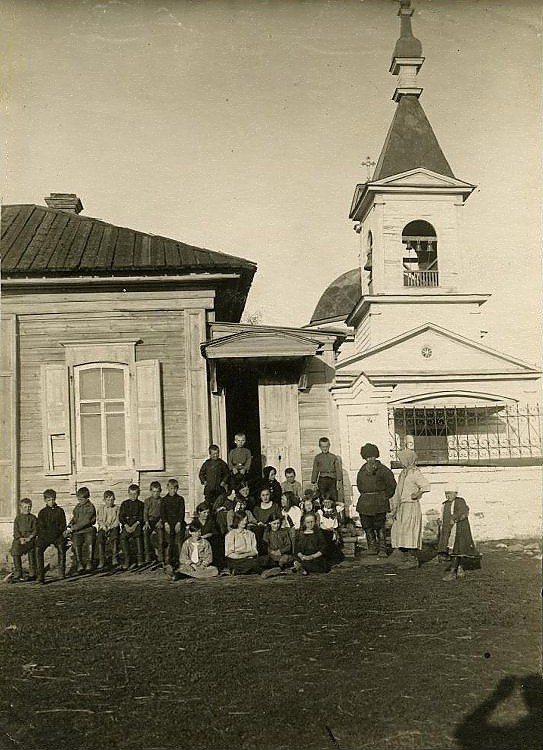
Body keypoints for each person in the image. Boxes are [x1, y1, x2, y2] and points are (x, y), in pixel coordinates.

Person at [389, 449, 430, 569]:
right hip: (402, 506)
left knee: (409, 531)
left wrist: (417, 494)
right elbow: (399, 490)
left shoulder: (414, 473)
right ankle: (406, 557)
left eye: (402, 459)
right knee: (400, 531)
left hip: (411, 506)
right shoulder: (403, 473)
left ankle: (413, 559)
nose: (401, 461)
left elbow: (426, 486)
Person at [356, 444, 397, 558]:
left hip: (379, 502)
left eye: (372, 456)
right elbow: (359, 485)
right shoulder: (362, 470)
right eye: (368, 457)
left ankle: (382, 549)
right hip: (365, 502)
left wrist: (384, 496)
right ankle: (372, 547)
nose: (370, 459)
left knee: (379, 526)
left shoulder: (383, 470)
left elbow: (392, 485)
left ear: (376, 456)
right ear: (364, 457)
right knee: (367, 525)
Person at [437, 483, 479, 581]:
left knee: (457, 549)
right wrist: (440, 520)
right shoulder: (445, 504)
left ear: (456, 493)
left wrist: (456, 518)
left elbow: (464, 511)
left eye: (450, 493)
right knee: (452, 549)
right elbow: (443, 515)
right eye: (446, 493)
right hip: (448, 530)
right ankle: (459, 567)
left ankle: (452, 572)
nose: (448, 496)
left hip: (459, 529)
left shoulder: (460, 501)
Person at [35, 489, 67, 584]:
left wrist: (56, 533)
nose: (51, 502)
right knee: (38, 548)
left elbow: (62, 525)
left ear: (55, 499)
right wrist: (47, 536)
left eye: (53, 499)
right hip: (45, 536)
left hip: (57, 535)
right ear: (45, 500)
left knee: (62, 546)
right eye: (49, 500)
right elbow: (40, 527)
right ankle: (40, 575)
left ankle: (61, 572)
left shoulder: (60, 511)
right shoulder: (42, 512)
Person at [64, 486, 96, 573]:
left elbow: (86, 521)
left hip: (88, 529)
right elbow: (75, 518)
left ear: (87, 498)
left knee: (90, 541)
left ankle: (89, 562)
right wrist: (69, 526)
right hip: (78, 531)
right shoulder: (77, 507)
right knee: (76, 542)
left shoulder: (90, 507)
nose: (80, 501)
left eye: (81, 499)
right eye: (78, 499)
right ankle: (79, 563)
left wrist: (72, 528)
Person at [160, 479, 186, 568]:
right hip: (168, 524)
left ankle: (181, 561)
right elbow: (162, 513)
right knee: (168, 542)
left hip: (178, 523)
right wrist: (166, 523)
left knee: (179, 542)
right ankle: (167, 561)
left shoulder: (180, 499)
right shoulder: (164, 500)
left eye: (175, 488)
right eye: (171, 488)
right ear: (167, 488)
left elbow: (181, 512)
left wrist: (179, 522)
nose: (173, 490)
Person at [10, 498, 37, 582]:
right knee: (15, 549)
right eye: (25, 507)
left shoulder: (33, 518)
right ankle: (18, 572)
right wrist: (20, 538)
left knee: (32, 550)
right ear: (20, 508)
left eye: (29, 507)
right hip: (20, 539)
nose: (27, 509)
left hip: (30, 539)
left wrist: (30, 537)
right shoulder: (18, 518)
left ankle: (32, 573)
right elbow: (16, 531)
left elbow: (36, 530)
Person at [119, 484, 144, 569]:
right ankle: (127, 559)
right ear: (128, 494)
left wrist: (134, 525)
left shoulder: (141, 504)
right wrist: (126, 526)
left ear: (138, 494)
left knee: (138, 535)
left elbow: (141, 517)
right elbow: (121, 517)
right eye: (131, 494)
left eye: (135, 494)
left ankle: (140, 559)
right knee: (123, 537)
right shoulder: (124, 504)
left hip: (136, 524)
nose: (133, 496)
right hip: (127, 525)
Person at [311, 437, 342, 502]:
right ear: (320, 447)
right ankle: (323, 511)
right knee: (322, 497)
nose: (325, 448)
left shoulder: (333, 457)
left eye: (326, 446)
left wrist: (339, 481)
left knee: (333, 497)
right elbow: (315, 470)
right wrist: (314, 482)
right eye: (323, 447)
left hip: (332, 480)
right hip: (322, 480)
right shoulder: (318, 457)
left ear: (329, 446)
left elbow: (337, 469)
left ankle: (334, 511)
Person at [194, 502, 223, 569]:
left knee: (216, 543)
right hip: (198, 541)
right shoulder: (195, 522)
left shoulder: (211, 521)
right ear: (199, 512)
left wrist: (205, 536)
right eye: (204, 512)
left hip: (210, 540)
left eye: (207, 513)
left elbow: (214, 532)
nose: (206, 515)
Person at [96, 490, 120, 569]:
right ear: (104, 500)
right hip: (104, 528)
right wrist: (103, 526)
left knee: (115, 537)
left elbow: (117, 520)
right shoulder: (101, 508)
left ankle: (114, 557)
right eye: (108, 500)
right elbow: (99, 520)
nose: (110, 502)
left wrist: (110, 527)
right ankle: (101, 560)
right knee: (100, 538)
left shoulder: (117, 508)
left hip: (113, 527)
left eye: (112, 499)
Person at [317, 495, 344, 564]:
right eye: (325, 502)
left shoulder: (335, 509)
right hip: (325, 531)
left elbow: (342, 505)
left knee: (335, 545)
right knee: (326, 545)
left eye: (329, 502)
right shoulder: (320, 511)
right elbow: (321, 523)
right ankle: (327, 559)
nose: (327, 504)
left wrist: (335, 503)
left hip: (334, 530)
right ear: (322, 503)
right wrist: (327, 528)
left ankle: (335, 559)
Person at [252, 487, 281, 553]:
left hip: (273, 528)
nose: (265, 497)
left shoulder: (275, 506)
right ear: (260, 496)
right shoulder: (257, 508)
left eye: (267, 494)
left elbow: (279, 518)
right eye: (263, 495)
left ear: (270, 495)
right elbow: (255, 521)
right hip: (260, 530)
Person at [143, 481, 163, 564]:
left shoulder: (162, 500)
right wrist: (146, 522)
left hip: (159, 520)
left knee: (161, 534)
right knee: (145, 533)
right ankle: (147, 555)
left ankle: (161, 556)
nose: (155, 494)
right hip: (150, 520)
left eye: (157, 491)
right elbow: (145, 513)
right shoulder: (147, 501)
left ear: (160, 491)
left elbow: (164, 513)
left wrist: (160, 521)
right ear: (151, 491)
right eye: (154, 491)